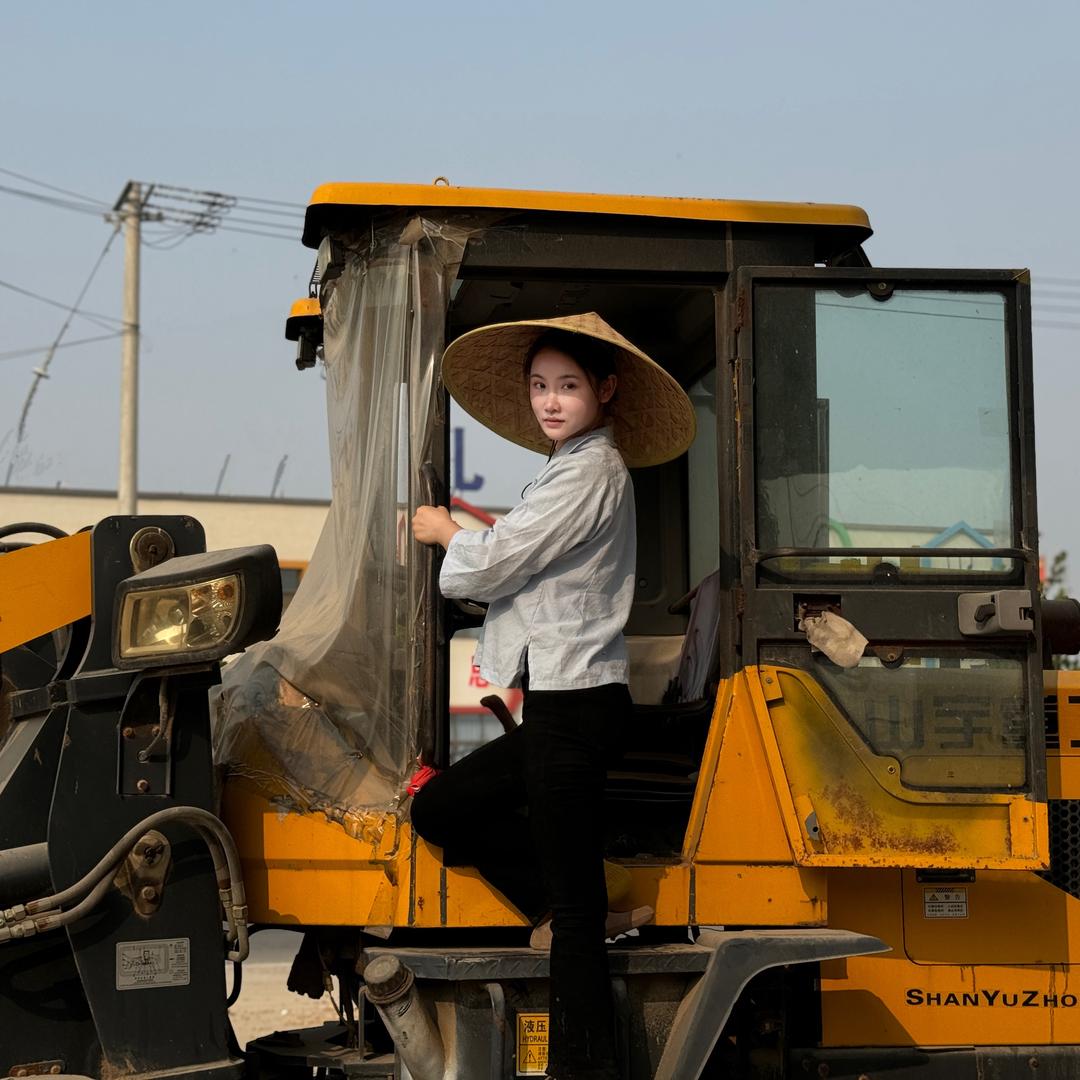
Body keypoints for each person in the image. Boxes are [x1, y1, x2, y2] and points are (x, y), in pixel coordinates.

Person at [410, 312, 696, 1080]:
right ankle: (567, 898)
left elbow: (500, 559)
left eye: (568, 385)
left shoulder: (592, 469)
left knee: (573, 923)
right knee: (438, 810)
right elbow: (521, 563)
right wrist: (469, 541)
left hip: (577, 706)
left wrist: (445, 533)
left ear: (605, 390)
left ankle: (583, 1068)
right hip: (562, 704)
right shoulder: (565, 468)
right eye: (539, 386)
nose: (550, 400)